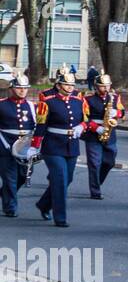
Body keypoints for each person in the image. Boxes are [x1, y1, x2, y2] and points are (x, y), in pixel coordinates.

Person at [33, 67, 86, 227]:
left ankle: (43, 204)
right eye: (66, 85)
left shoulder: (78, 101)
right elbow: (41, 125)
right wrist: (34, 146)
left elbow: (86, 119)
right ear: (58, 85)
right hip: (53, 146)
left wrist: (82, 127)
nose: (70, 88)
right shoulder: (48, 102)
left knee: (66, 179)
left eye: (72, 85)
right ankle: (60, 217)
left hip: (72, 145)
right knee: (60, 179)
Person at [82, 73, 123, 200]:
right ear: (96, 87)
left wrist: (117, 112)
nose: (106, 88)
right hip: (93, 134)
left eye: (108, 85)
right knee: (94, 163)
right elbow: (83, 118)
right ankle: (95, 191)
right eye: (102, 86)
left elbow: (123, 112)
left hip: (110, 133)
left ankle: (97, 181)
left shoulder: (115, 98)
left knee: (109, 162)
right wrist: (96, 127)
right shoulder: (87, 99)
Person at [0, 74, 35, 218]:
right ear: (12, 89)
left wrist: (35, 145)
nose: (22, 91)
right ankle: (11, 207)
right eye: (19, 88)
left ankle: (5, 193)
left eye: (25, 88)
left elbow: (35, 125)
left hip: (25, 147)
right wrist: (4, 143)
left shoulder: (31, 106)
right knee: (10, 178)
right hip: (5, 146)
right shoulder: (2, 104)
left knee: (24, 175)